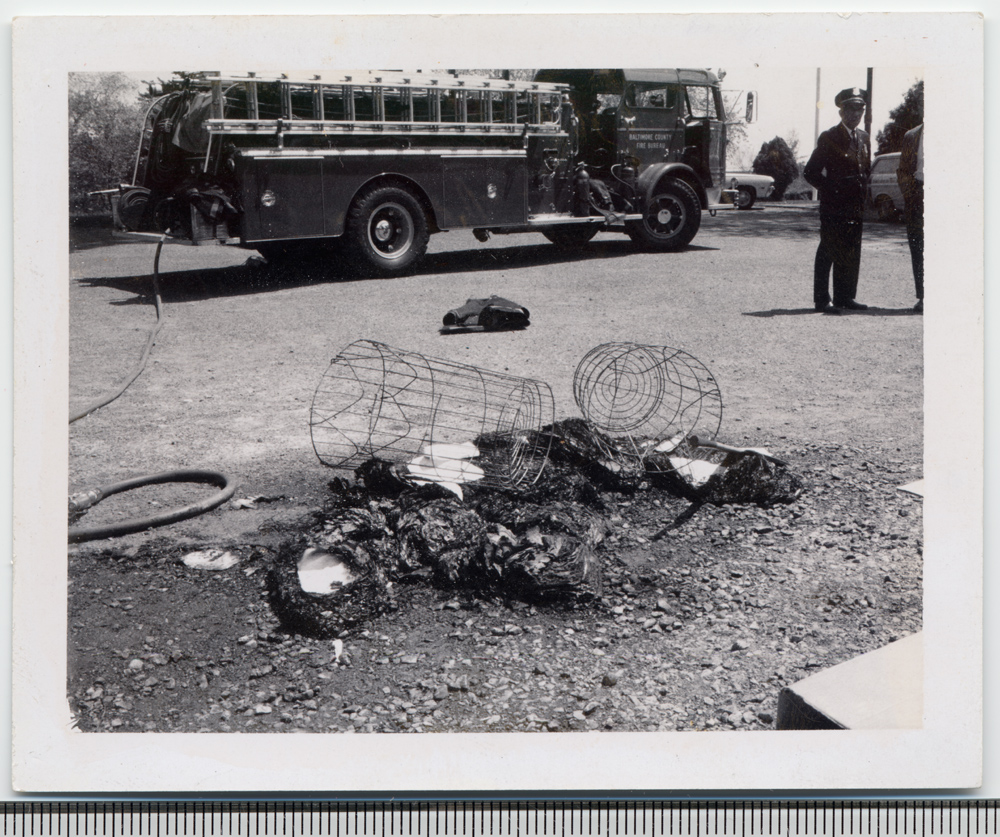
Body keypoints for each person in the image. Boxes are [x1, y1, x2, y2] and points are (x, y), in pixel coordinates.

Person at [804, 87, 873, 314]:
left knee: (852, 251)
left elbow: (865, 170)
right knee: (829, 251)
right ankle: (822, 300)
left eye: (860, 109)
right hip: (834, 207)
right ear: (841, 112)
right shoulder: (829, 137)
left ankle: (845, 297)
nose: (856, 114)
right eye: (851, 109)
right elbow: (811, 172)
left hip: (855, 206)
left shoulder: (863, 138)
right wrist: (831, 191)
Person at [897, 123, 924, 313]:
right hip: (918, 195)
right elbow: (903, 170)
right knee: (918, 247)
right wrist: (910, 194)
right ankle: (923, 297)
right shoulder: (912, 135)